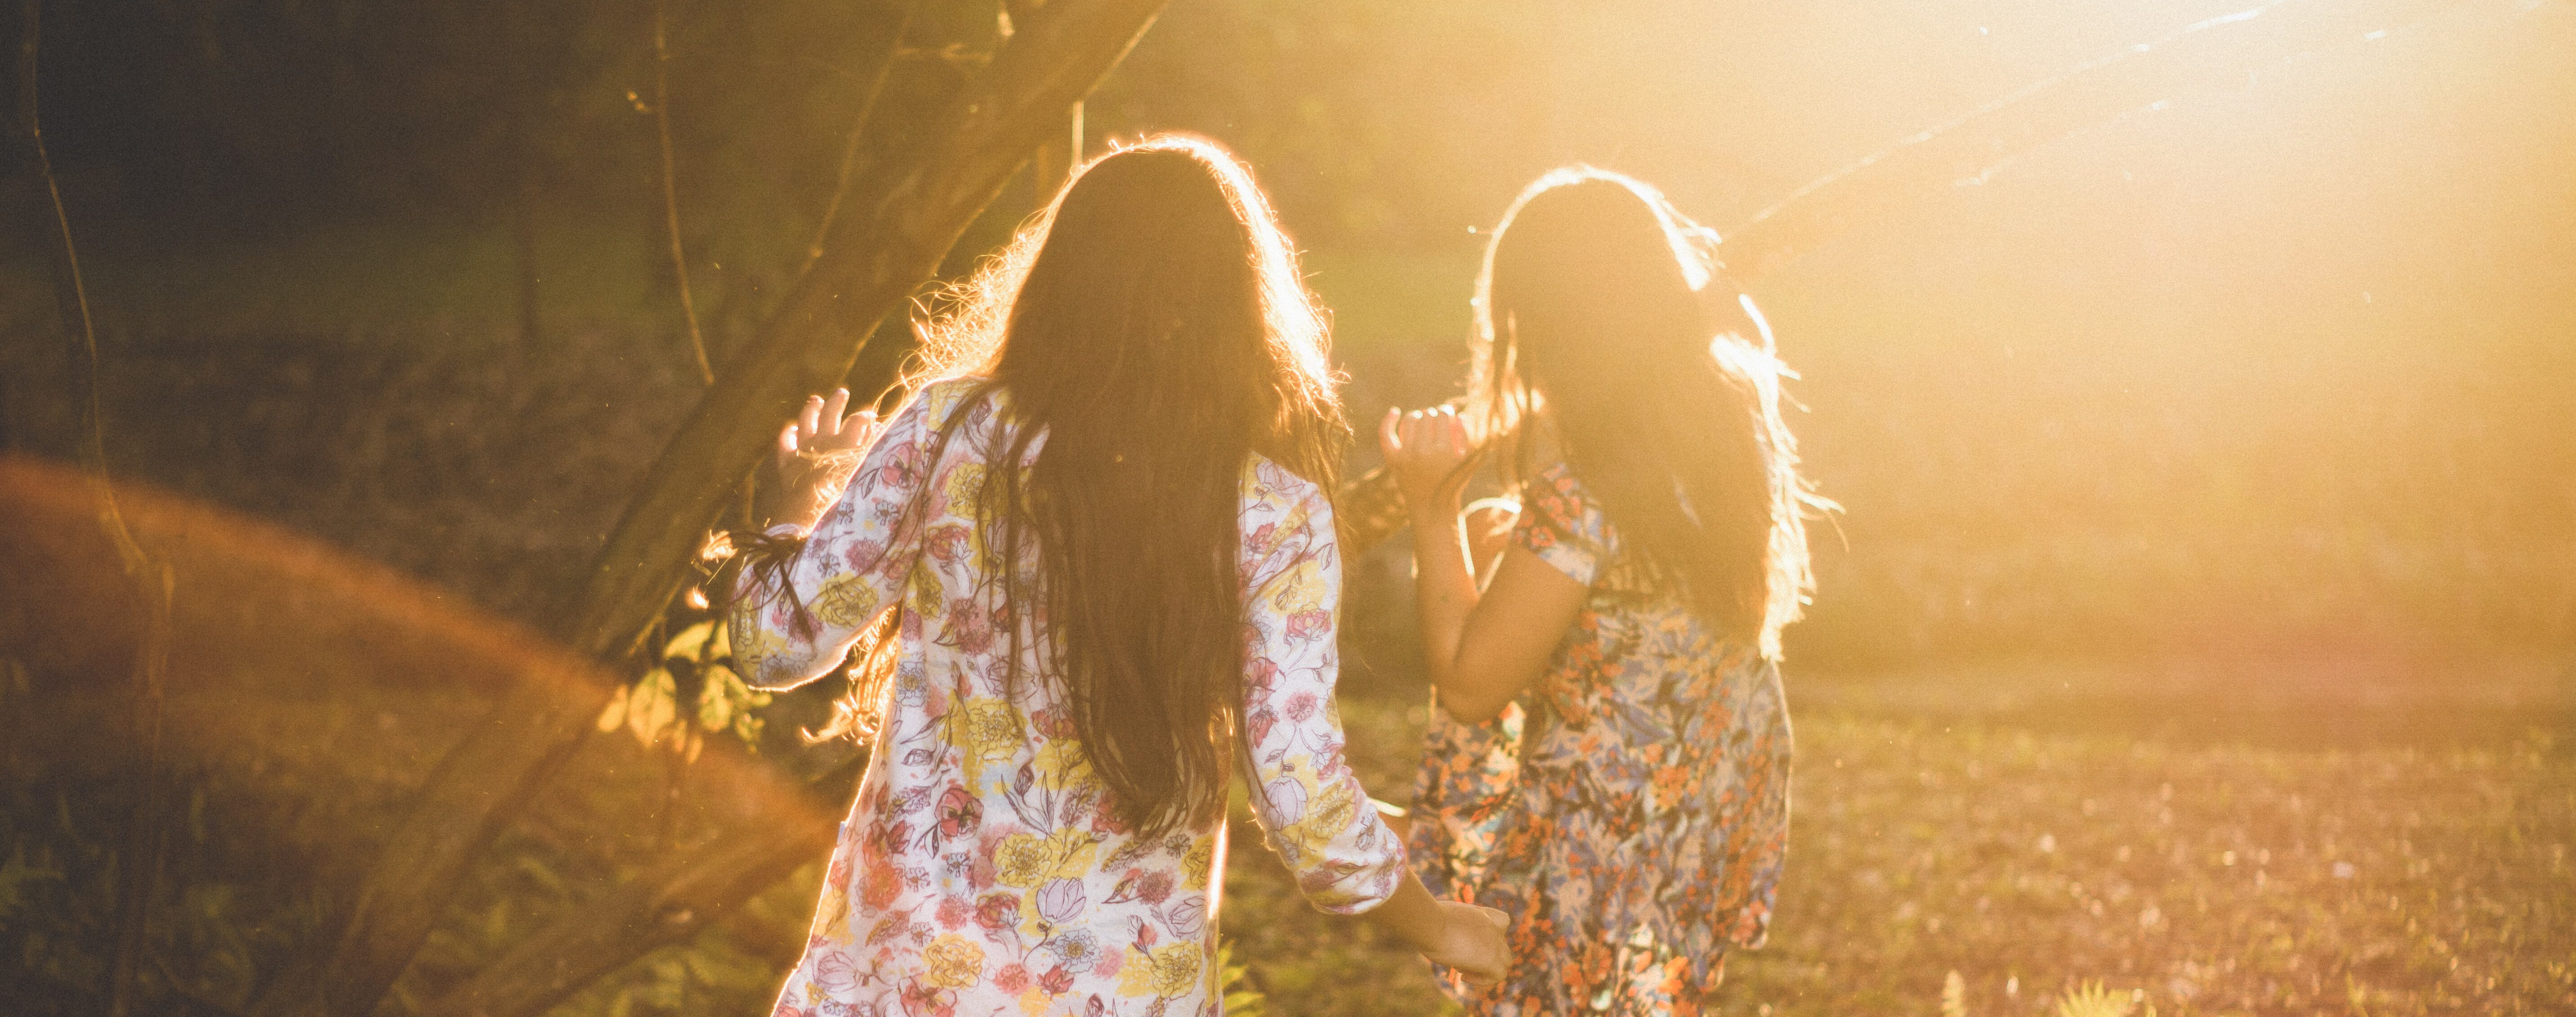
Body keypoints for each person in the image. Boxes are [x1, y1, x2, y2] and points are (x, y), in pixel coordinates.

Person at [728, 135, 1509, 1017]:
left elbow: (773, 647)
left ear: (1063, 280)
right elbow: (1303, 799)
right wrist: (1441, 927)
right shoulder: (1271, 514)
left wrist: (798, 505)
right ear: (1236, 307)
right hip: (1121, 993)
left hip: (905, 981)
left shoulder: (950, 432)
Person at [1380, 167, 1823, 1016]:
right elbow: (1626, 607)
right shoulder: (1730, 442)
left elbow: (1472, 685)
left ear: (1547, 325)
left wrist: (1430, 509)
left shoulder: (1587, 496)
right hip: (1685, 838)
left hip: (1595, 865)